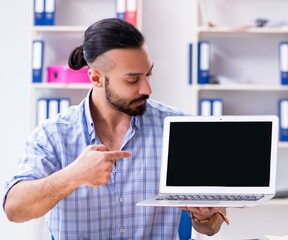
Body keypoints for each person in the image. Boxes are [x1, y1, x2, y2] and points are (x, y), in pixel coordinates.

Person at [3, 18, 228, 239]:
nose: (147, 88)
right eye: (132, 80)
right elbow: (14, 208)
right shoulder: (54, 134)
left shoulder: (180, 128)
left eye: (147, 74)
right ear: (96, 78)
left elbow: (211, 228)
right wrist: (73, 175)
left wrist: (205, 215)